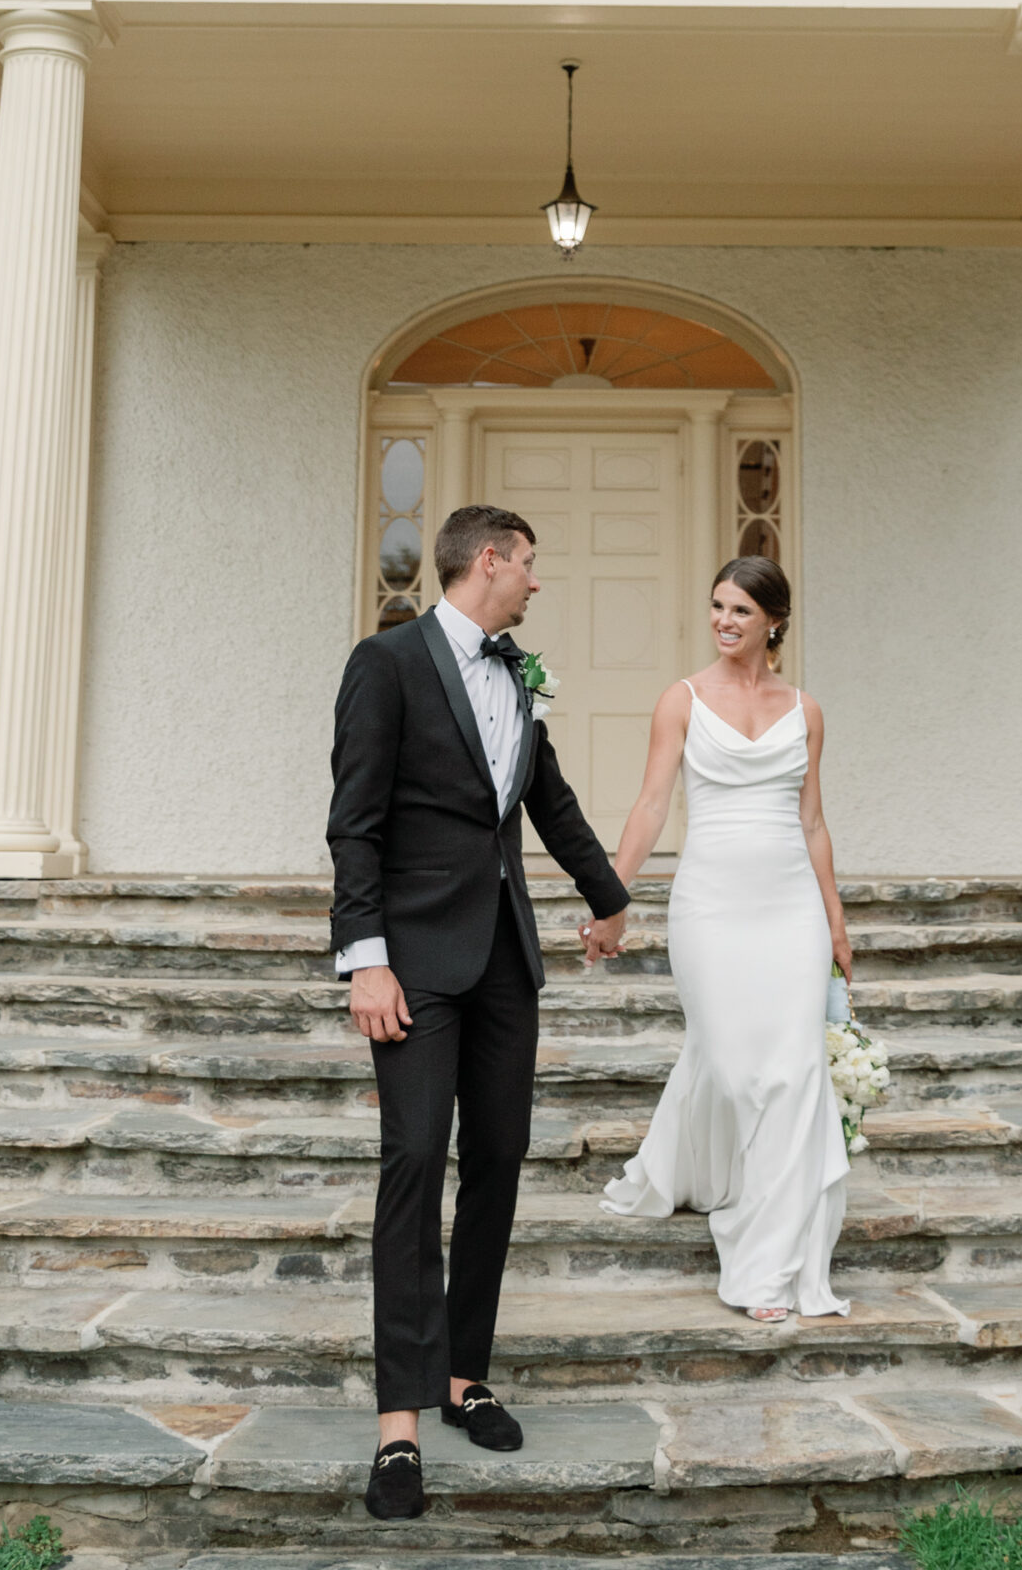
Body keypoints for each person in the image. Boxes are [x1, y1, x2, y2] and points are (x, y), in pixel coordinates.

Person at [327, 504, 632, 1521]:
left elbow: (546, 799)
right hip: (412, 964)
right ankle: (399, 1426)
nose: (538, 583)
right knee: (415, 1160)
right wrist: (365, 961)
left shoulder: (516, 670)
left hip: (505, 959)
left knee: (497, 1156)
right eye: (531, 565)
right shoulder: (388, 663)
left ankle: (464, 1374)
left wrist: (609, 895)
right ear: (489, 561)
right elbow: (355, 824)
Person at [589, 556, 853, 1324]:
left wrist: (835, 921)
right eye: (716, 607)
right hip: (709, 907)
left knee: (794, 1075)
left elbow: (811, 821)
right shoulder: (680, 699)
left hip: (790, 910)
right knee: (738, 1071)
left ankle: (760, 1267)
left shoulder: (806, 710)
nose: (723, 622)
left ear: (773, 620)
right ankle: (708, 1174)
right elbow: (648, 805)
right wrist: (610, 900)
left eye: (740, 610)